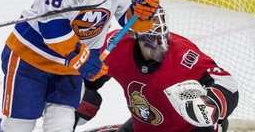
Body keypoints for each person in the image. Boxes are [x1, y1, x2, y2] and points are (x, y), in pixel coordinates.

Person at [0, 0, 159, 132]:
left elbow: (130, 20)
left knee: (62, 127)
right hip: (30, 58)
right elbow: (51, 25)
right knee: (18, 127)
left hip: (69, 66)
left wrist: (142, 12)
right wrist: (83, 58)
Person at [74, 8, 239, 132]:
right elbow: (92, 76)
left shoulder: (183, 56)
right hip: (145, 126)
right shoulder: (116, 46)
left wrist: (212, 104)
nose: (159, 47)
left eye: (161, 38)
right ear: (134, 36)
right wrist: (80, 94)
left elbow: (226, 83)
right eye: (150, 41)